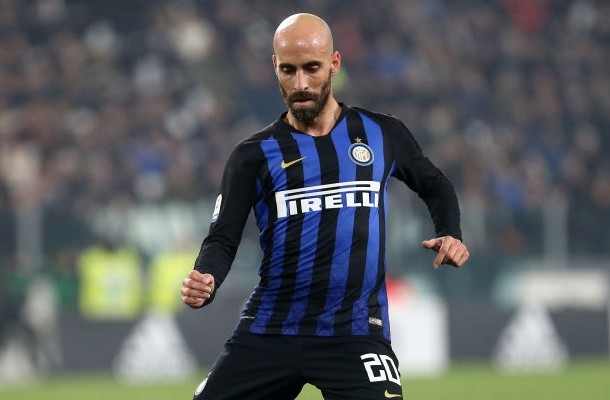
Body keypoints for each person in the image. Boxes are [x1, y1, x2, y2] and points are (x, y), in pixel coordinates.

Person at [181, 12, 469, 400]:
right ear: (275, 67)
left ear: (334, 63)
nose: (300, 83)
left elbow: (435, 185)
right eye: (288, 70)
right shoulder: (253, 155)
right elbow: (222, 238)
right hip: (271, 330)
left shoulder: (381, 134)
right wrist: (207, 277)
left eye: (312, 68)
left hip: (355, 333)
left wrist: (450, 231)